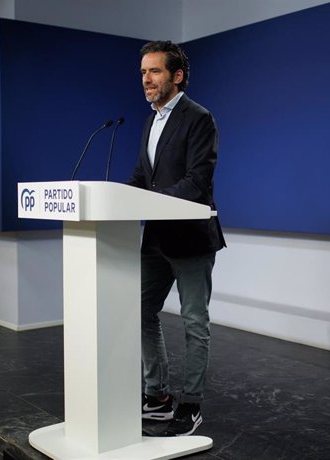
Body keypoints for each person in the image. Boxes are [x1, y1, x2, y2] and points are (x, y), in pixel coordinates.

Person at [127, 40, 226, 437]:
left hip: (191, 239)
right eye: (143, 73)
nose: (146, 80)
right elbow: (141, 175)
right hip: (155, 240)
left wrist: (149, 200)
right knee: (139, 310)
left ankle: (191, 403)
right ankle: (157, 394)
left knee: (193, 323)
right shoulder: (150, 120)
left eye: (154, 71)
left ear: (177, 75)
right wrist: (116, 198)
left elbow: (197, 182)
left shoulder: (199, 118)